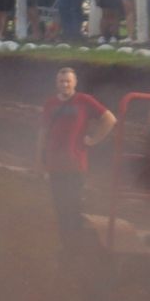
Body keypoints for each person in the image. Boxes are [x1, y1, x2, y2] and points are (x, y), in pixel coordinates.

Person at [38, 67, 114, 256]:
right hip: (55, 164)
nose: (64, 84)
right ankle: (67, 246)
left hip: (76, 163)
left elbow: (110, 119)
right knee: (60, 207)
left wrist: (94, 140)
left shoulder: (84, 101)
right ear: (56, 83)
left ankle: (77, 246)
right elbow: (43, 133)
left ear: (75, 83)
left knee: (73, 206)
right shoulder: (50, 104)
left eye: (68, 81)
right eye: (61, 81)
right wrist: (39, 160)